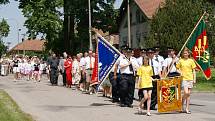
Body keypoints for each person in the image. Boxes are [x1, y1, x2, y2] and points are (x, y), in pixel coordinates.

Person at [176, 49, 196, 114]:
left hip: (190, 78)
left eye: (186, 53)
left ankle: (187, 108)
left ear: (188, 54)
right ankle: (181, 104)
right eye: (184, 53)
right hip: (184, 79)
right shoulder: (181, 60)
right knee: (186, 92)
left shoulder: (191, 61)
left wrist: (194, 79)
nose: (185, 54)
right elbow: (177, 69)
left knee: (188, 94)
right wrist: (180, 72)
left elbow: (193, 71)